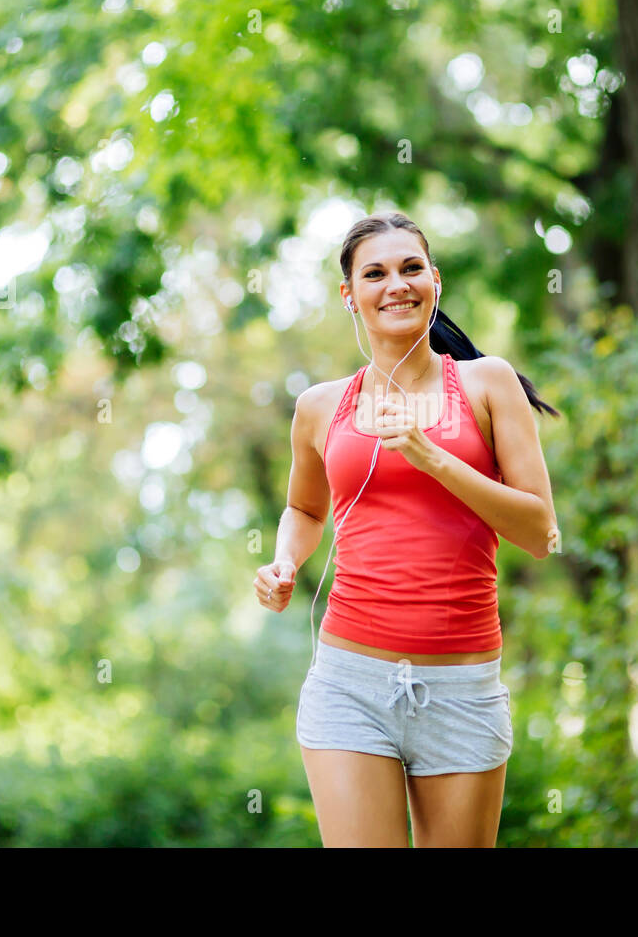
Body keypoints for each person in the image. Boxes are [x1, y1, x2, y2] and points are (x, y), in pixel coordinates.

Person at [255, 211, 560, 847]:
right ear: (350, 296)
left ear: (435, 281)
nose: (396, 284)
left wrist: (432, 456)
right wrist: (285, 561)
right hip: (350, 684)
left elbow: (539, 532)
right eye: (375, 273)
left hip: (461, 688)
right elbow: (306, 511)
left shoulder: (487, 383)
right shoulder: (320, 406)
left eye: (411, 268)